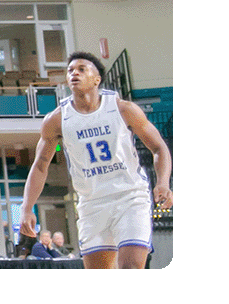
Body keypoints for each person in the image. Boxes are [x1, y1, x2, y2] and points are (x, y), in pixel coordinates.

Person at [20, 51, 172, 269]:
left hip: (129, 197)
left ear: (96, 79)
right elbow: (40, 166)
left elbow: (158, 147)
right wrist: (27, 208)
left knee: (130, 267)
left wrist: (163, 182)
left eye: (82, 69)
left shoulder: (123, 109)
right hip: (91, 203)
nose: (74, 73)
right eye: (71, 70)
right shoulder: (56, 119)